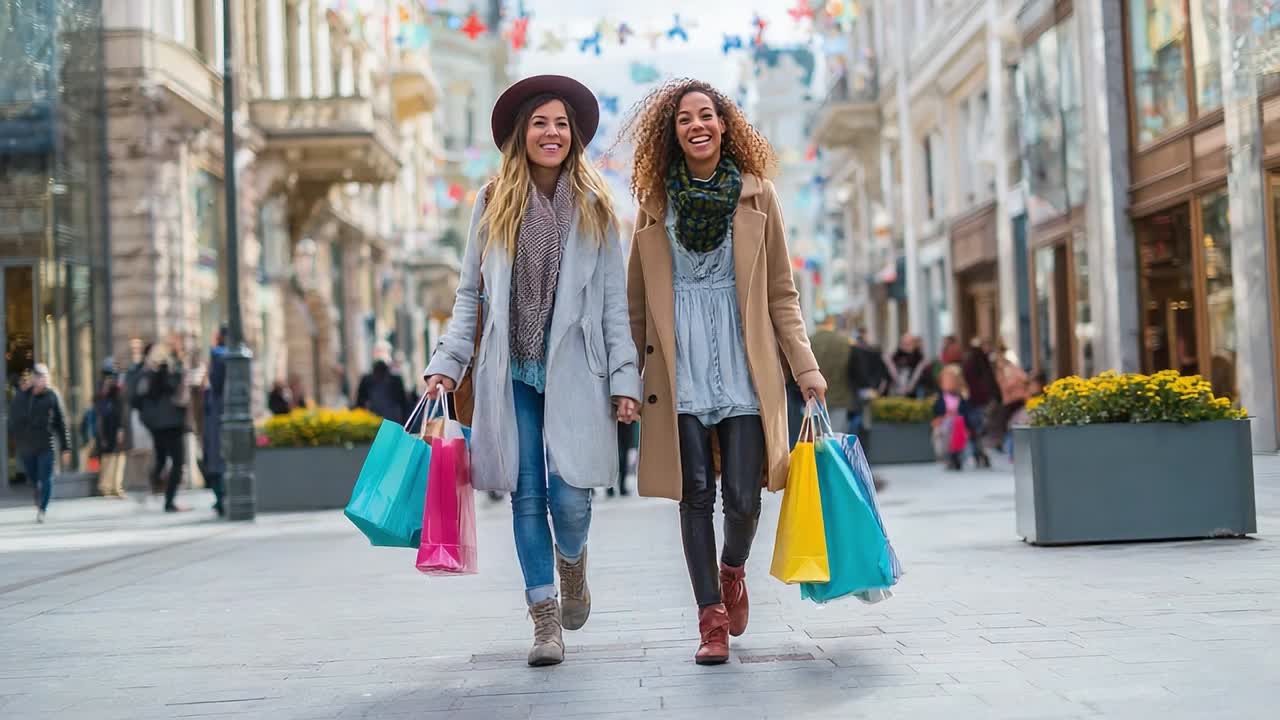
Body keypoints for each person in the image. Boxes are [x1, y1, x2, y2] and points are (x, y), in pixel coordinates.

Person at [423, 75, 641, 668]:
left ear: (574, 137)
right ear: (522, 135)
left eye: (561, 124)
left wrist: (625, 378)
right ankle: (544, 618)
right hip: (509, 370)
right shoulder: (493, 201)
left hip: (578, 368)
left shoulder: (596, 208)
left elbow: (614, 304)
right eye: (541, 123)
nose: (552, 133)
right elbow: (470, 295)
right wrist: (447, 364)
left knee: (570, 499)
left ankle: (573, 560)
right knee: (527, 496)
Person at [621, 79, 826, 665]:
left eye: (706, 115)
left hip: (743, 362)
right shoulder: (655, 202)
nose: (697, 126)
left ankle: (732, 568)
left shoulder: (758, 196)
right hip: (677, 368)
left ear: (723, 124)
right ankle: (710, 620)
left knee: (742, 498)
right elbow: (636, 303)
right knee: (694, 496)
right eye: (684, 119)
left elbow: (782, 293)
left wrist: (805, 367)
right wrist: (625, 379)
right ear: (672, 133)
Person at [7, 364, 71, 523]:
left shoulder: (52, 395)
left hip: (46, 445)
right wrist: (16, 438)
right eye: (41, 377)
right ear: (34, 378)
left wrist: (65, 447)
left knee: (46, 478)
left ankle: (43, 509)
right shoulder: (22, 396)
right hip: (27, 447)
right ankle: (38, 493)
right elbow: (13, 419)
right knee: (33, 479)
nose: (44, 380)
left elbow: (61, 422)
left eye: (46, 376)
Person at [132, 343, 189, 512]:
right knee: (178, 462)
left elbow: (136, 399)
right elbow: (178, 391)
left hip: (156, 424)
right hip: (172, 423)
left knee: (161, 459)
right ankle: (169, 500)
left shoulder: (145, 374)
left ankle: (151, 489)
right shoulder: (172, 371)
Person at [809, 315, 854, 433]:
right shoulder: (844, 342)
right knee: (836, 435)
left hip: (813, 395)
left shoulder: (810, 340)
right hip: (840, 395)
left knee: (815, 434)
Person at [202, 327, 228, 516]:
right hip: (225, 411)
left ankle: (221, 499)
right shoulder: (237, 354)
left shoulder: (218, 354)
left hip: (218, 413)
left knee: (217, 458)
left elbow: (215, 382)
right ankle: (222, 498)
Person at [94, 362, 129, 498]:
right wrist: (104, 390)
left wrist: (121, 428)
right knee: (107, 456)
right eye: (107, 376)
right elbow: (99, 408)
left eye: (112, 376)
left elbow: (122, 408)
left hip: (117, 426)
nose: (110, 379)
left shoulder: (118, 390)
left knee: (119, 457)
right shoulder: (101, 392)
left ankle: (116, 487)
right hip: (105, 427)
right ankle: (105, 486)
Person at [961, 337, 997, 468]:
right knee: (980, 428)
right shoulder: (980, 360)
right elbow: (989, 380)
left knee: (976, 429)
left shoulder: (969, 359)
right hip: (980, 400)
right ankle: (981, 454)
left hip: (973, 400)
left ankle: (978, 454)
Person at [932, 364, 974, 471]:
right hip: (944, 424)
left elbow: (966, 413)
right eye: (945, 380)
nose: (948, 383)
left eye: (951, 380)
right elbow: (936, 412)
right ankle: (948, 458)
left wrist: (968, 427)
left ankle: (957, 457)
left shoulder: (962, 399)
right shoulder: (939, 398)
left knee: (959, 441)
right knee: (943, 439)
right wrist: (940, 417)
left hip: (958, 425)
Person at [354, 359, 409, 425]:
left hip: (391, 417)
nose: (379, 376)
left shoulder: (395, 381)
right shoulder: (367, 381)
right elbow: (360, 401)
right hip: (376, 417)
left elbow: (403, 401)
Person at [887, 334, 930, 398]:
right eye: (904, 343)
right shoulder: (895, 357)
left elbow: (923, 378)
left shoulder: (920, 358)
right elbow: (890, 372)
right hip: (897, 391)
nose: (906, 345)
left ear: (914, 344)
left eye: (909, 343)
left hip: (915, 392)